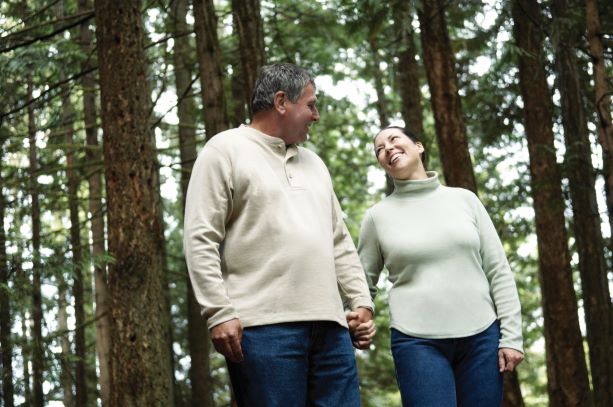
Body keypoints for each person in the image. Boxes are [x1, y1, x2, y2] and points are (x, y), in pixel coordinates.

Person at [183, 63, 375, 406]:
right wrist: (219, 312)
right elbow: (201, 237)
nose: (315, 116)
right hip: (264, 330)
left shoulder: (315, 164)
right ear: (282, 101)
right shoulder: (223, 150)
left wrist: (361, 301)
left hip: (331, 329)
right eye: (311, 105)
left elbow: (339, 240)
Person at [351, 126, 524, 406]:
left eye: (394, 139)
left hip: (481, 338)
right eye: (379, 149)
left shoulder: (465, 200)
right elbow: (361, 283)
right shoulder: (377, 217)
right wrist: (358, 322)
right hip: (416, 343)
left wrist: (512, 337)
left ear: (418, 146)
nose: (387, 148)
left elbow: (498, 270)